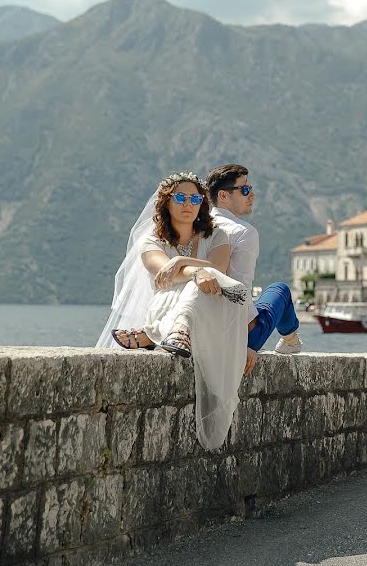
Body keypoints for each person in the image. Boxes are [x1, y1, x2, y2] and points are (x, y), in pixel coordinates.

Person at [97, 172, 252, 450]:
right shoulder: (151, 242)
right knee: (195, 283)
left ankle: (153, 334)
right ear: (166, 203)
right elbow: (164, 276)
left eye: (195, 198)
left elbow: (218, 271)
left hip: (216, 311)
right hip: (168, 303)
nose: (188, 203)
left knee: (206, 282)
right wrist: (196, 271)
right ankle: (177, 329)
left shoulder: (218, 236)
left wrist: (181, 261)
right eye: (180, 197)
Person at [205, 164, 302, 376]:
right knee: (280, 290)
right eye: (245, 190)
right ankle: (290, 338)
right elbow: (240, 290)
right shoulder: (244, 232)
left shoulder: (197, 227)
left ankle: (290, 338)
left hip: (201, 330)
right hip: (237, 335)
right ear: (223, 195)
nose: (252, 194)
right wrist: (246, 345)